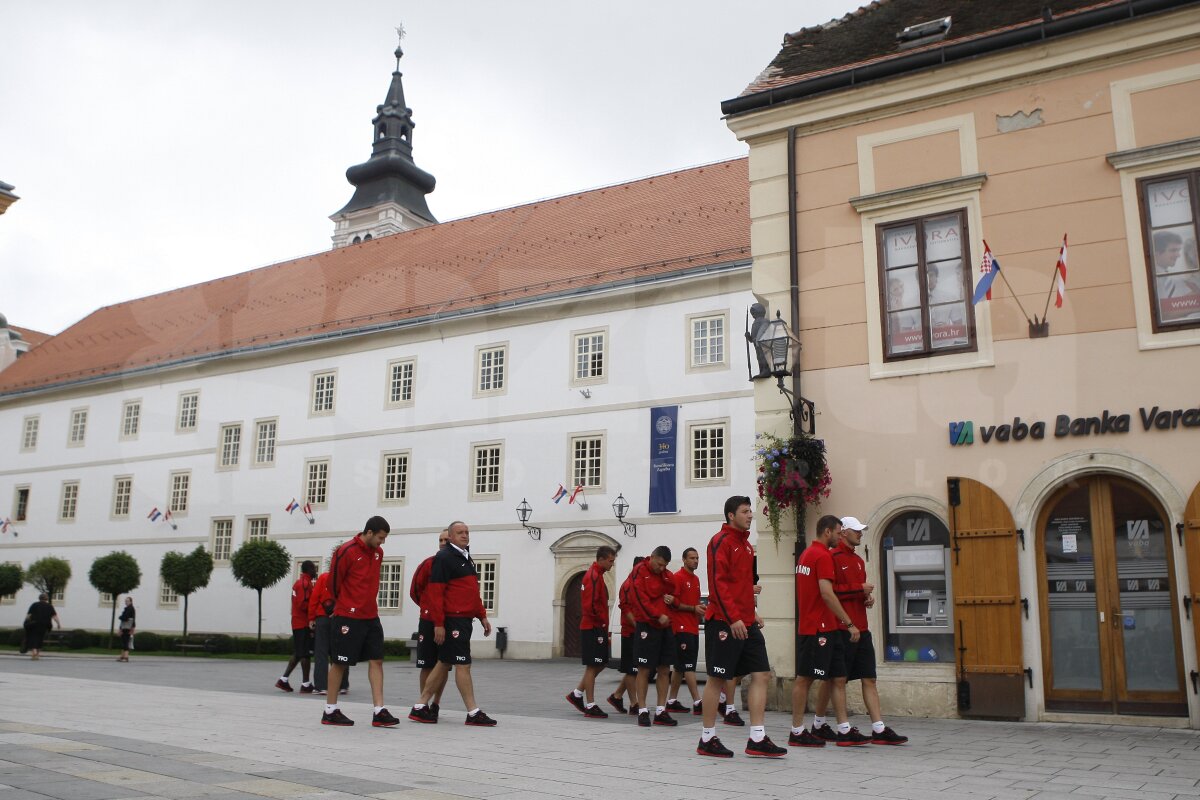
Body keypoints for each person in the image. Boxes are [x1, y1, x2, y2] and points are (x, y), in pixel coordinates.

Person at [696, 495, 786, 759]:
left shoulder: (746, 546)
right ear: (731, 515)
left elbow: (742, 585)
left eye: (750, 511)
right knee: (718, 678)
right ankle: (707, 738)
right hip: (723, 621)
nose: (750, 515)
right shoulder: (719, 542)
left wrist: (752, 613)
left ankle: (757, 738)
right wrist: (734, 617)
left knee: (761, 674)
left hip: (746, 622)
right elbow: (718, 583)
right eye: (745, 511)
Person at [809, 517, 908, 745]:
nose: (860, 534)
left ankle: (878, 728)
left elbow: (853, 592)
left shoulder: (858, 560)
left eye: (861, 531)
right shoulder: (831, 557)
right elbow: (829, 591)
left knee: (869, 677)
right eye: (856, 531)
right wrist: (858, 589)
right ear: (843, 532)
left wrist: (866, 597)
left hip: (862, 628)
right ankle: (820, 723)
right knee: (835, 680)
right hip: (841, 628)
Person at [791, 514, 869, 748]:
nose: (839, 536)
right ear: (827, 532)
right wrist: (849, 623)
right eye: (837, 532)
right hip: (818, 627)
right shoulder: (822, 555)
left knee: (838, 677)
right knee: (805, 678)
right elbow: (827, 593)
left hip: (827, 627)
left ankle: (844, 729)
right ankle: (797, 731)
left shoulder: (806, 554)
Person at [408, 520, 496, 726]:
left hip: (462, 619)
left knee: (444, 662)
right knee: (462, 664)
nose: (465, 535)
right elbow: (435, 592)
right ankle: (472, 712)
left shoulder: (465, 557)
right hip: (454, 620)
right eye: (460, 532)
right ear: (451, 537)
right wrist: (438, 623)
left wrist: (481, 615)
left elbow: (471, 591)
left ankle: (420, 706)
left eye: (467, 532)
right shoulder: (444, 557)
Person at [321, 517, 398, 727]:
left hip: (370, 615)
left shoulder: (378, 553)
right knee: (340, 662)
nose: (382, 542)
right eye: (380, 537)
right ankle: (330, 711)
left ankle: (379, 711)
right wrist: (344, 605)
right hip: (348, 615)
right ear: (369, 532)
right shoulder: (346, 551)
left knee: (377, 660)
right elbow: (333, 584)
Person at [566, 545, 617, 719]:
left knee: (600, 663)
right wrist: (600, 624)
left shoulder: (597, 575)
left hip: (596, 626)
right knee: (592, 665)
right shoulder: (593, 576)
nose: (612, 564)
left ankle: (577, 694)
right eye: (610, 561)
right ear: (601, 559)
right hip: (593, 627)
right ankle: (590, 704)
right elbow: (591, 606)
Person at [630, 545, 677, 728]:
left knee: (664, 668)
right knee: (644, 668)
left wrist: (670, 597)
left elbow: (673, 586)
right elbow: (640, 599)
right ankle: (642, 710)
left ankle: (660, 710)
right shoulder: (639, 571)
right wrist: (657, 615)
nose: (662, 568)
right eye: (659, 564)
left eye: (665, 565)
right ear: (652, 558)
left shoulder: (665, 574)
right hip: (647, 625)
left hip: (665, 625)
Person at [410, 529, 450, 719]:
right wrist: (428, 607)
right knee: (426, 664)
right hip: (428, 621)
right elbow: (415, 590)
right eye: (440, 539)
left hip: (449, 620)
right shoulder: (428, 564)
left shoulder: (457, 565)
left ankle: (436, 704)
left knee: (444, 664)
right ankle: (423, 704)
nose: (442, 543)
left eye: (446, 539)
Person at [665, 547, 704, 716]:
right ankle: (697, 702)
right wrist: (693, 608)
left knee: (679, 667)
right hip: (681, 628)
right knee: (689, 666)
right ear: (684, 559)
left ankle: (671, 701)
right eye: (692, 558)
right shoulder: (678, 577)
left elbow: (694, 603)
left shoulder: (696, 579)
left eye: (697, 558)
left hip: (692, 627)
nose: (695, 561)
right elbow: (673, 602)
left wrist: (699, 609)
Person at [308, 546, 349, 697]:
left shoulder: (324, 577)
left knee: (321, 652)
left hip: (323, 618)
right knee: (341, 651)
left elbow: (314, 598)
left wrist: (311, 618)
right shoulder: (347, 580)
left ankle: (321, 686)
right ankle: (342, 685)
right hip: (340, 617)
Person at [609, 556, 644, 716]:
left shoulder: (639, 584)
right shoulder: (628, 585)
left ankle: (617, 696)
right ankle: (634, 703)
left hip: (638, 631)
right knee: (631, 669)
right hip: (630, 632)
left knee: (634, 668)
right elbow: (627, 610)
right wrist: (638, 627)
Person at [277, 560, 317, 693]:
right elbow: (303, 604)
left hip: (297, 621)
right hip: (302, 622)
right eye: (314, 568)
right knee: (305, 653)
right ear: (309, 569)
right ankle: (305, 684)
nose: (315, 571)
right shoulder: (305, 584)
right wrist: (315, 610)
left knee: (299, 652)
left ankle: (283, 680)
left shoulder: (300, 583)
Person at [23, 593, 60, 660]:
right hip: (44, 625)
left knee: (33, 638)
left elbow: (29, 615)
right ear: (46, 599)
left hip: (34, 624)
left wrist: (25, 622)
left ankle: (34, 652)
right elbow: (54, 616)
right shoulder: (49, 606)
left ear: (39, 598)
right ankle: (37, 654)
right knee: (40, 638)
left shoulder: (34, 605)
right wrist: (58, 623)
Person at [117, 596, 136, 662]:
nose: (126, 602)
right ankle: (122, 656)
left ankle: (126, 657)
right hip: (125, 626)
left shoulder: (130, 609)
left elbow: (125, 617)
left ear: (130, 602)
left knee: (125, 642)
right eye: (125, 601)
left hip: (127, 627)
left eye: (127, 601)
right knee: (123, 642)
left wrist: (120, 617)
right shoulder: (127, 608)